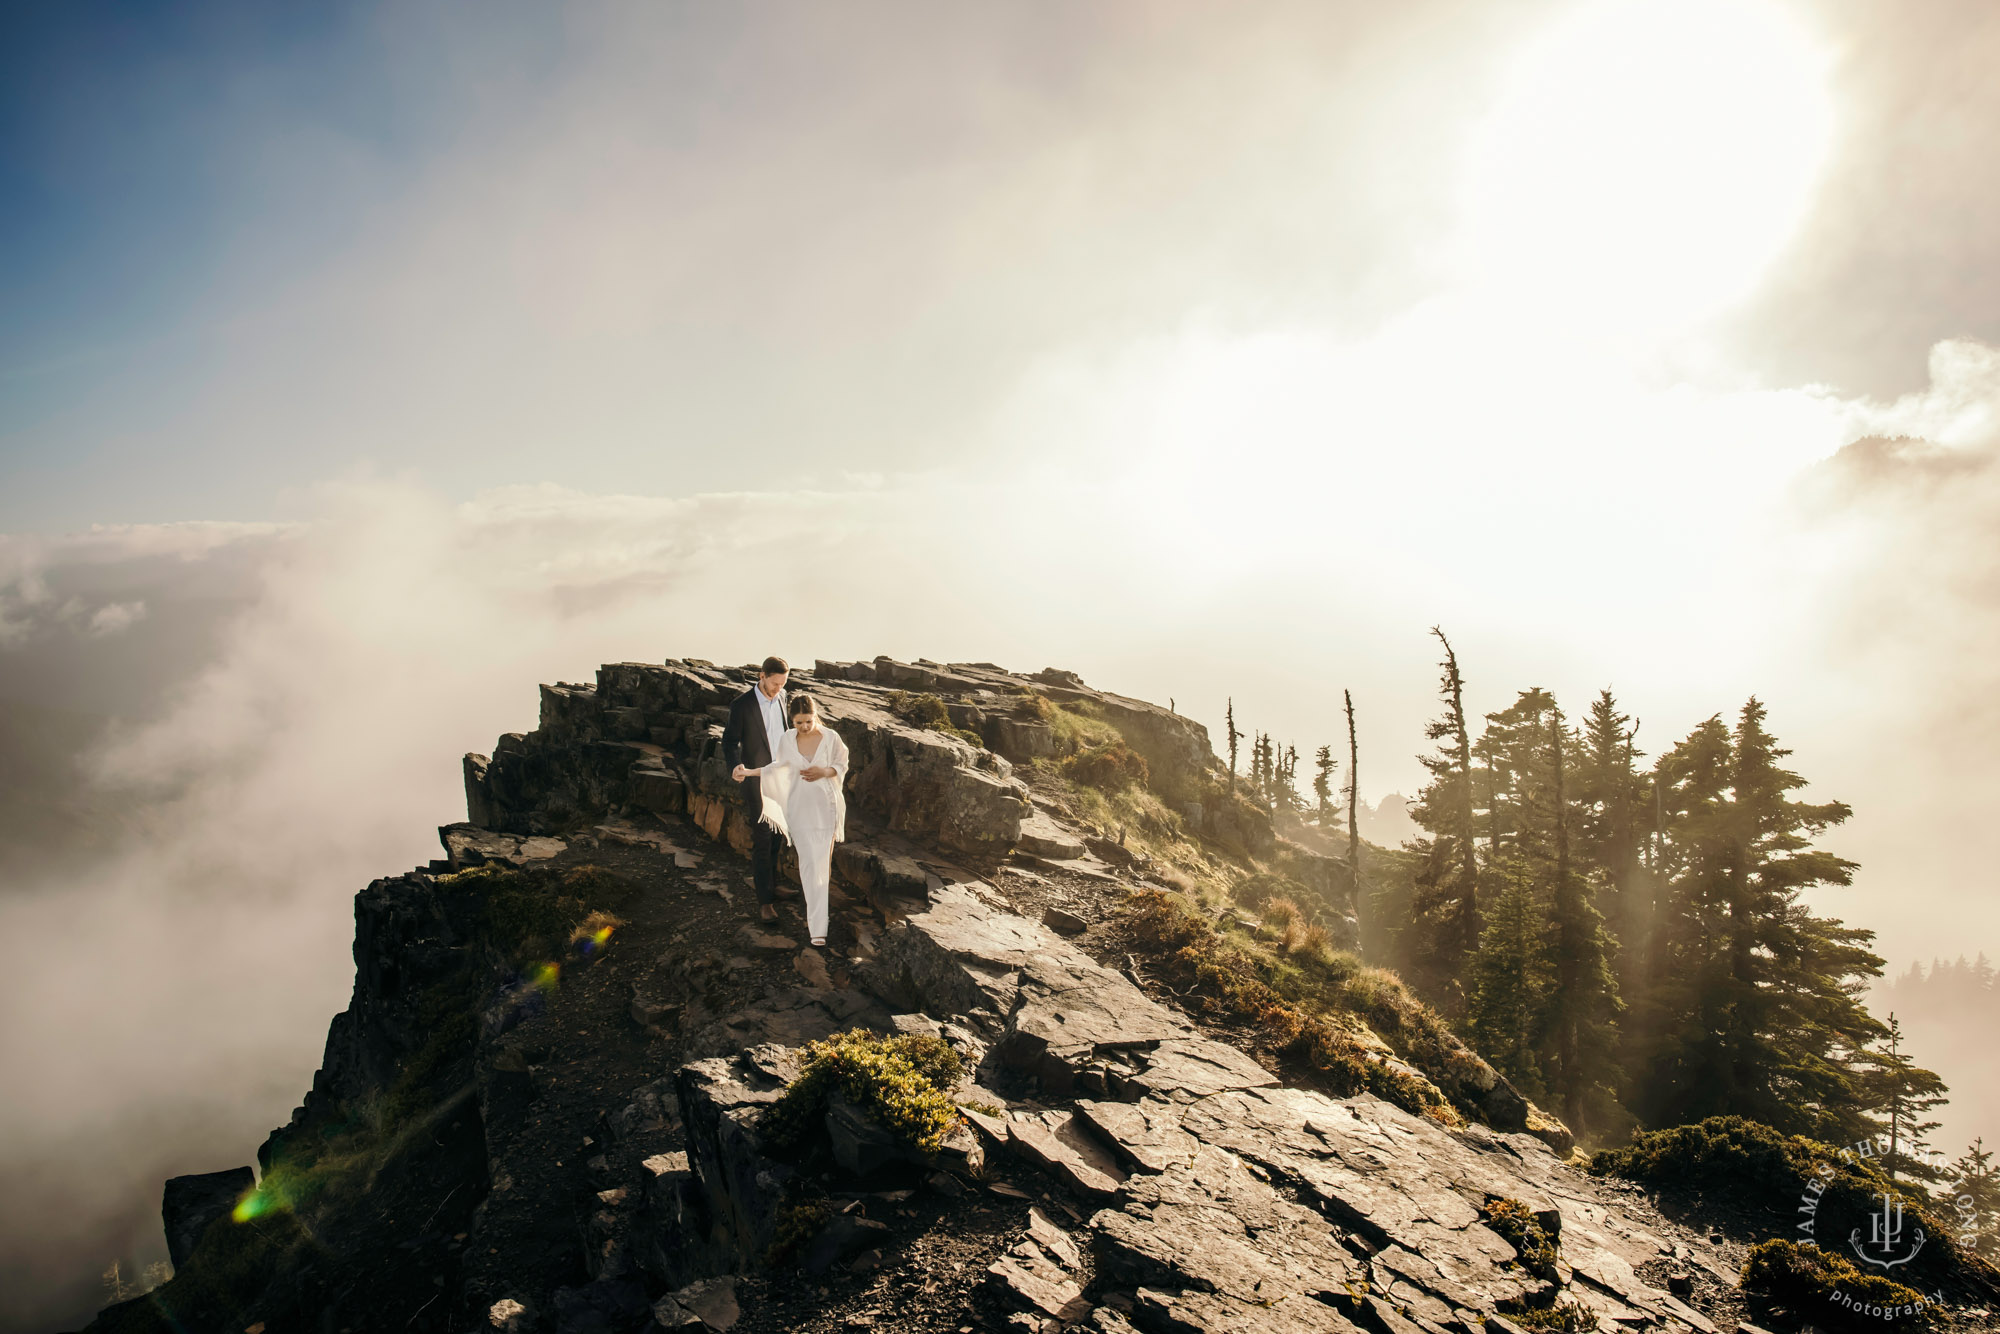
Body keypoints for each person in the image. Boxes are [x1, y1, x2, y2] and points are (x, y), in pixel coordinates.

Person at [736, 693, 848, 947]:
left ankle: (818, 929)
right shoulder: (787, 739)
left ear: (815, 715)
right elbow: (778, 768)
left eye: (808, 721)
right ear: (791, 721)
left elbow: (842, 765)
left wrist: (824, 771)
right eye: (799, 723)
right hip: (799, 811)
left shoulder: (830, 738)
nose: (805, 727)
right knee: (808, 867)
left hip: (826, 809)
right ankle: (816, 920)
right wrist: (749, 772)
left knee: (821, 867)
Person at [721, 655, 797, 923]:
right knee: (763, 839)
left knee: (777, 834)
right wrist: (735, 766)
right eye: (775, 683)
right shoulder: (741, 706)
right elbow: (729, 742)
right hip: (757, 781)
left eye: (783, 684)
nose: (779, 689)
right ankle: (765, 903)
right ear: (761, 676)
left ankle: (773, 886)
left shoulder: (783, 697)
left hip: (783, 779)